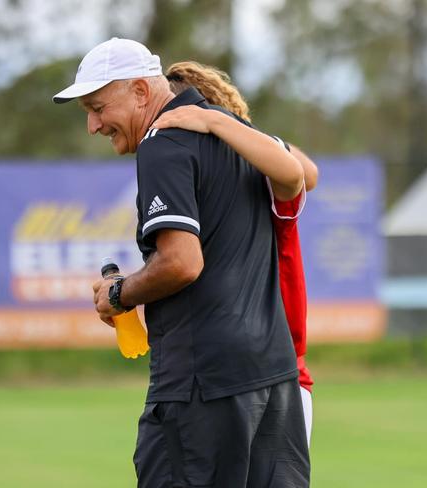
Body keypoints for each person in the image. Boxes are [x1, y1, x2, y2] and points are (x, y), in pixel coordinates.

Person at [53, 38, 309, 487]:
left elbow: (182, 263)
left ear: (139, 91)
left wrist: (119, 293)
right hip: (275, 379)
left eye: (97, 107)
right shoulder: (229, 127)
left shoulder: (164, 141)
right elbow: (302, 173)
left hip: (202, 383)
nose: (93, 125)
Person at [154, 61, 317, 447]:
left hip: (280, 373)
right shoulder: (198, 186)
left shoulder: (263, 178)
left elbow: (303, 172)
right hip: (225, 373)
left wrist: (218, 123)